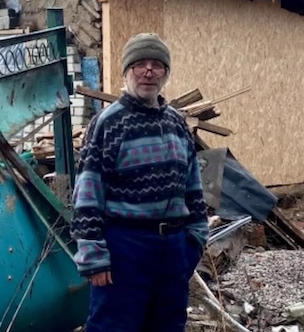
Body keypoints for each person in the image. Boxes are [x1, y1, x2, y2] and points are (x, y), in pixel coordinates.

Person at [70, 32, 209, 331]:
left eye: (157, 65)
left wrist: (195, 240)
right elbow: (87, 194)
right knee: (113, 326)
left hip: (173, 250)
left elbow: (193, 187)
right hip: (125, 248)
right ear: (126, 71)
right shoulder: (109, 123)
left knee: (169, 325)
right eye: (140, 64)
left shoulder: (176, 123)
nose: (148, 71)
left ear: (166, 73)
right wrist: (93, 254)